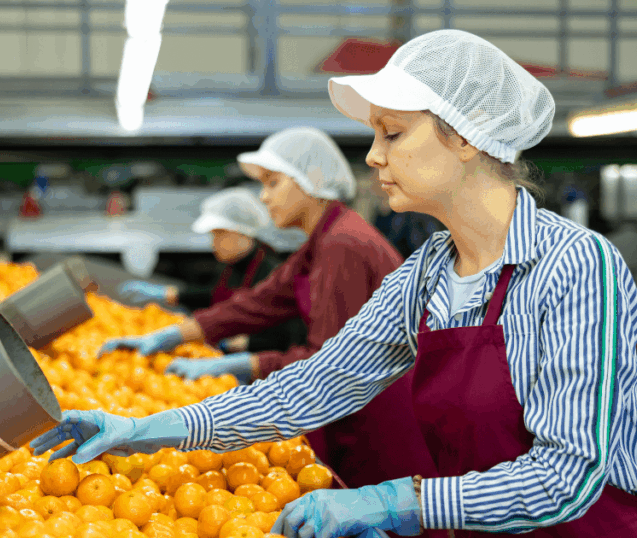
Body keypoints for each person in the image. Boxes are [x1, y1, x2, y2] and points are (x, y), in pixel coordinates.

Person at [34, 30, 637, 537]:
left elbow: (568, 476)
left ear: (465, 137)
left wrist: (400, 499)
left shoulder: (574, 267)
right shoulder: (427, 274)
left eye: (392, 133)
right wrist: (149, 429)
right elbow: (313, 385)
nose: (372, 157)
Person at [98, 126, 438, 491]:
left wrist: (244, 364)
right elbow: (258, 303)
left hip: (381, 418)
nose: (263, 197)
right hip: (353, 409)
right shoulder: (322, 240)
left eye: (272, 183)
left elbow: (327, 362)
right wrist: (172, 335)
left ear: (311, 182)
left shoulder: (344, 244)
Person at [116, 187, 307, 353]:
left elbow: (288, 337)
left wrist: (244, 343)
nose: (214, 242)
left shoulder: (272, 273)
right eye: (213, 235)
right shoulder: (229, 267)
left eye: (219, 234)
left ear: (242, 232)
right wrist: (168, 294)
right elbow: (214, 296)